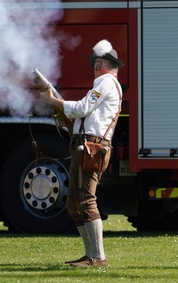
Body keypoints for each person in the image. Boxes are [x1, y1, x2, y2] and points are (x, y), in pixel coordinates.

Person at [38, 40, 123, 267]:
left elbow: (82, 108)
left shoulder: (105, 83)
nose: (94, 66)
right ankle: (91, 255)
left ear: (100, 64)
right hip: (87, 145)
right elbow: (83, 114)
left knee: (84, 200)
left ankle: (97, 257)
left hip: (91, 146)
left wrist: (55, 101)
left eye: (96, 62)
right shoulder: (107, 83)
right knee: (74, 201)